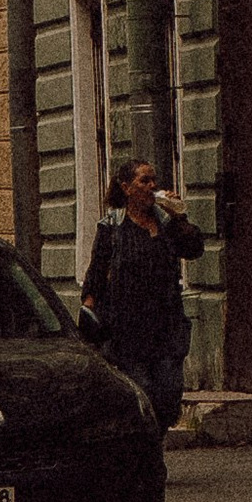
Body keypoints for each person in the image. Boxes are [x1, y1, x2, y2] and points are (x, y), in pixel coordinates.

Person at [80, 156, 204, 429]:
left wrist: (179, 215)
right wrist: (88, 314)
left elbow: (194, 249)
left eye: (153, 180)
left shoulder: (166, 223)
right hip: (128, 330)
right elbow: (96, 274)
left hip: (166, 326)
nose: (152, 186)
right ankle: (145, 455)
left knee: (168, 395)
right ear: (126, 187)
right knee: (142, 392)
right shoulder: (112, 227)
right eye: (144, 180)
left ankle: (153, 443)